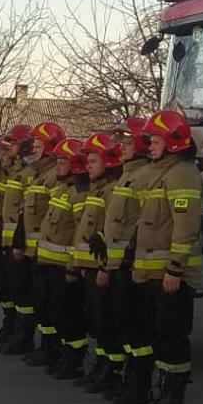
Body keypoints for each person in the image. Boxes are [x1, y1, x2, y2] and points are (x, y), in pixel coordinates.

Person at [133, 109, 203, 404]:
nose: (150, 145)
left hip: (171, 276)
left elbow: (185, 227)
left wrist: (175, 269)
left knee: (172, 337)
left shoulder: (182, 174)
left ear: (174, 142)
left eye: (156, 139)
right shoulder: (163, 172)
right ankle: (163, 397)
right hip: (155, 273)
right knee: (159, 335)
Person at [101, 117, 155, 404]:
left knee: (137, 328)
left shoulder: (144, 176)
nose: (121, 147)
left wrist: (131, 258)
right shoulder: (128, 175)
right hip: (120, 264)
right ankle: (130, 379)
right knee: (124, 326)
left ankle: (140, 385)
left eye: (126, 142)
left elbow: (146, 222)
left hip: (133, 265)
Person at [3, 122, 65, 358]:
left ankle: (48, 346)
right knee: (36, 298)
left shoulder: (50, 176)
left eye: (38, 145)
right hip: (35, 250)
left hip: (44, 251)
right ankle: (39, 343)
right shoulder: (38, 173)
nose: (34, 150)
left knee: (46, 301)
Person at [70, 132, 121, 390]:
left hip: (101, 269)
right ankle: (102, 367)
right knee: (98, 323)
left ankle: (111, 371)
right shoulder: (97, 190)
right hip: (90, 268)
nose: (87, 166)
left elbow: (112, 234)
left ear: (109, 162)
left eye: (93, 161)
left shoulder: (111, 192)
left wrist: (104, 267)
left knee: (106, 323)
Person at [36, 138, 89, 380]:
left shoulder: (79, 193)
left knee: (70, 316)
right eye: (56, 160)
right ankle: (59, 353)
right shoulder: (62, 190)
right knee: (55, 311)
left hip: (66, 267)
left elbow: (80, 233)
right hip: (50, 264)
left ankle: (74, 359)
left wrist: (73, 267)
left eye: (62, 161)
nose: (57, 165)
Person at [0, 125, 32, 345]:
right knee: (3, 286)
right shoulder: (8, 174)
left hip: (13, 241)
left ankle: (20, 332)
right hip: (0, 238)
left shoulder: (23, 175)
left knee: (18, 288)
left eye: (7, 149)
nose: (2, 155)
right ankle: (10, 324)